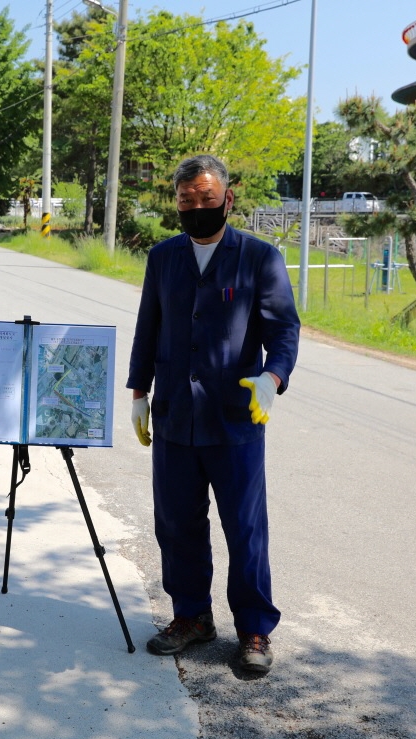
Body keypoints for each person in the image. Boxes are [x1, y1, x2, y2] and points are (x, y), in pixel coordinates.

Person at [127, 154, 300, 674]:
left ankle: (254, 628)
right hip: (176, 415)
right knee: (177, 524)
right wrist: (139, 391)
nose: (196, 207)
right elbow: (148, 327)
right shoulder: (163, 258)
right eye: (186, 199)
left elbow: (284, 331)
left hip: (236, 419)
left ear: (228, 198)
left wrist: (273, 378)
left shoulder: (258, 258)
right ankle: (191, 617)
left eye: (206, 198)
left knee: (245, 527)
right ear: (176, 202)